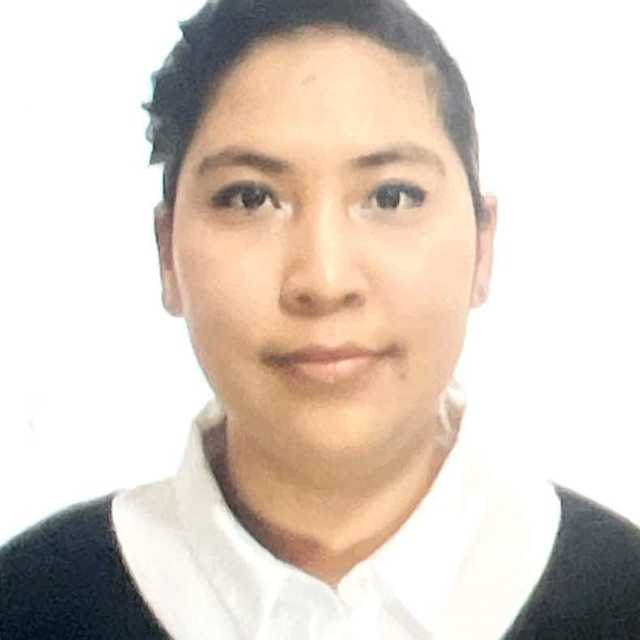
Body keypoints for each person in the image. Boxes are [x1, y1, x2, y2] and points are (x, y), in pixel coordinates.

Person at [2, 0, 639, 637]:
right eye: (250, 197)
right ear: (167, 254)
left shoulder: (622, 596)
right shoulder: (30, 603)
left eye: (391, 196)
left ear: (483, 245)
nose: (324, 281)